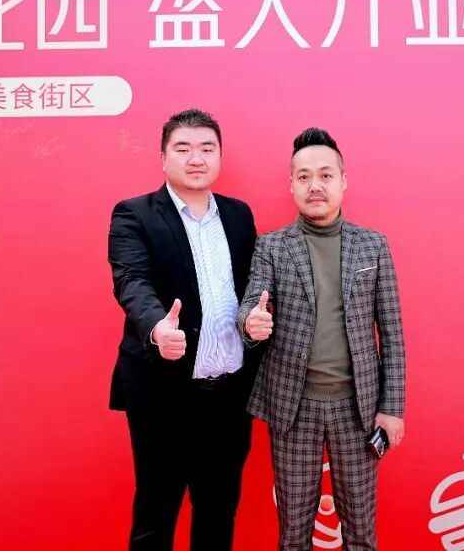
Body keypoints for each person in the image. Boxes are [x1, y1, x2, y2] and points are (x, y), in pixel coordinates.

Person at [238, 127, 406, 551]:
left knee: (361, 532)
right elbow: (250, 305)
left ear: (343, 181)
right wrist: (250, 324)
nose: (315, 185)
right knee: (293, 533)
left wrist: (391, 408)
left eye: (326, 175)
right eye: (304, 176)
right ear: (291, 184)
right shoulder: (272, 247)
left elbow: (392, 334)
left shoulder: (373, 246)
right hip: (293, 409)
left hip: (358, 409)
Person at [108, 108, 259, 551]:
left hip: (229, 397)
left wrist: (255, 320)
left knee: (218, 515)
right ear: (163, 158)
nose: (196, 158)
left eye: (207, 149)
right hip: (164, 393)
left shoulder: (238, 215)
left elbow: (252, 288)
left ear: (219, 156)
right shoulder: (134, 214)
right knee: (156, 516)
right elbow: (131, 281)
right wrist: (158, 327)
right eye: (184, 148)